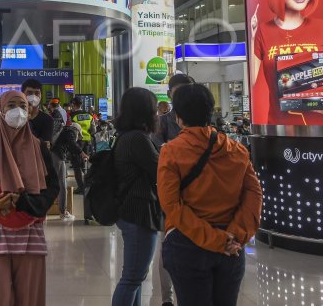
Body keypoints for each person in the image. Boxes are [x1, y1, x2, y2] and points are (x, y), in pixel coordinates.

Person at [158, 83, 262, 306]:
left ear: (178, 116)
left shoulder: (171, 151)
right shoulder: (236, 149)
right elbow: (253, 194)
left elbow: (171, 206)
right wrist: (235, 235)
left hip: (188, 244)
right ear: (210, 111)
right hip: (231, 248)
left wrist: (216, 241)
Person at [0, 91, 59, 306]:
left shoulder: (38, 147)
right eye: (12, 105)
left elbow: (52, 185)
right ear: (1, 110)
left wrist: (27, 203)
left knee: (29, 299)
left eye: (23, 106)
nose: (18, 111)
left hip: (30, 234)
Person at [110, 88, 163, 306]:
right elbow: (160, 170)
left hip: (131, 211)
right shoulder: (137, 139)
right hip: (139, 212)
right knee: (132, 277)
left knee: (136, 277)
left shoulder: (126, 137)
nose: (157, 114)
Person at [151, 72, 194, 306]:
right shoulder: (164, 122)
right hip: (172, 194)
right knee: (169, 244)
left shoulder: (203, 117)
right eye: (179, 93)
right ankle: (167, 298)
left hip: (200, 196)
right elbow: (158, 154)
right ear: (170, 95)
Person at [48, 99, 86, 221]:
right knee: (62, 183)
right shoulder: (73, 131)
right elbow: (71, 143)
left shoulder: (65, 127)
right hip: (57, 155)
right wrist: (82, 153)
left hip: (50, 152)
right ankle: (63, 212)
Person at [70, 98, 92, 194]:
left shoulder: (72, 116)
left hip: (77, 142)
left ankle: (81, 187)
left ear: (74, 105)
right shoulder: (89, 115)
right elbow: (93, 129)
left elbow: (70, 130)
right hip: (87, 141)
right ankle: (88, 184)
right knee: (85, 164)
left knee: (76, 165)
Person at [22, 79, 54, 146]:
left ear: (41, 95)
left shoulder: (47, 120)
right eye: (30, 93)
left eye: (37, 93)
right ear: (22, 94)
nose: (34, 96)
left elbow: (46, 146)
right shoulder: (17, 116)